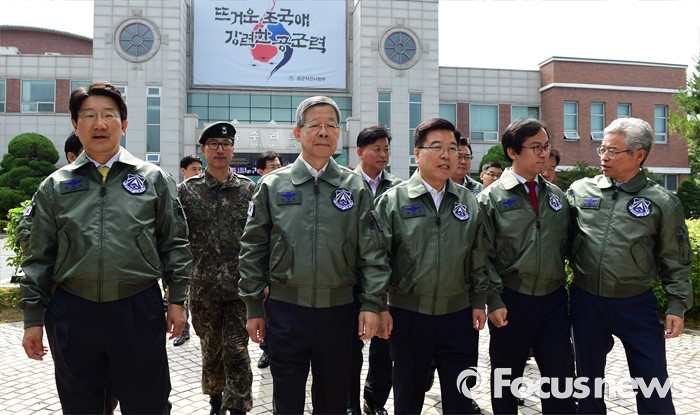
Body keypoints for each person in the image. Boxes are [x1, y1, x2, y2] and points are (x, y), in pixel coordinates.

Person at [19, 81, 192, 414]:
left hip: (137, 307)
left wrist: (177, 300)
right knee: (81, 405)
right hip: (74, 310)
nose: (99, 124)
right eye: (88, 115)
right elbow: (39, 256)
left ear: (123, 124)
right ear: (75, 125)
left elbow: (174, 243)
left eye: (108, 115)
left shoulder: (153, 179)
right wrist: (32, 319)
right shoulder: (55, 186)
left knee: (148, 404)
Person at [238, 96, 390, 414]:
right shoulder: (272, 185)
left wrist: (372, 304)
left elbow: (373, 251)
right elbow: (253, 248)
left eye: (330, 125)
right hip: (286, 311)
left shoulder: (355, 187)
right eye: (315, 125)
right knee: (287, 400)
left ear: (339, 134)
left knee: (333, 400)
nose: (323, 132)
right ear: (298, 132)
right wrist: (253, 306)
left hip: (339, 311)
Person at [566, 117, 693, 414]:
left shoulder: (662, 201)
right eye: (602, 149)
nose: (604, 157)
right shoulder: (580, 191)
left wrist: (677, 305)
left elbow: (675, 257)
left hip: (635, 303)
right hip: (586, 301)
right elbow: (558, 242)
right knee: (587, 381)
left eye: (613, 151)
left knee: (652, 380)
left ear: (639, 155)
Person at [375, 118, 492, 414]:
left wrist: (478, 300)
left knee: (460, 399)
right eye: (436, 147)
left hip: (458, 315)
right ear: (417, 153)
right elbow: (376, 259)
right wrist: (378, 306)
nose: (446, 155)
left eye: (452, 148)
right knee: (408, 397)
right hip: (409, 315)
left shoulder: (469, 202)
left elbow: (478, 255)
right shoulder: (393, 201)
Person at [478, 118, 576, 414]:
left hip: (553, 301)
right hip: (511, 300)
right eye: (535, 147)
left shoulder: (556, 196)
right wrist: (493, 300)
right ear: (512, 152)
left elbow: (570, 246)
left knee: (560, 380)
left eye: (546, 146)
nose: (544, 153)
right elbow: (480, 256)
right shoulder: (491, 198)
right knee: (506, 380)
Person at [178, 121, 254, 415]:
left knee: (237, 351)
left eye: (226, 144)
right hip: (203, 290)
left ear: (233, 150)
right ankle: (215, 402)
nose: (220, 149)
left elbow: (261, 239)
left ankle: (239, 407)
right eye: (213, 144)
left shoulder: (249, 190)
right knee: (211, 351)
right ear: (203, 149)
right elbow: (177, 240)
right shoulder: (187, 192)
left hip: (240, 290)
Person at [349, 125, 402, 415]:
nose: (383, 155)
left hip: (385, 280)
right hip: (349, 277)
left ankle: (375, 400)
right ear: (360, 152)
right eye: (376, 149)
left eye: (386, 150)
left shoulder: (398, 188)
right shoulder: (344, 184)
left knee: (384, 343)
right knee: (349, 345)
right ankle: (350, 402)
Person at [170, 154, 204, 348]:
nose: (198, 172)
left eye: (200, 169)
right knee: (183, 294)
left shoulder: (203, 192)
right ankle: (183, 331)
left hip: (201, 257)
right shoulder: (178, 193)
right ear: (183, 171)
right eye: (194, 169)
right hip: (184, 254)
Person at [253, 150, 282, 370]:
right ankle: (267, 350)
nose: (277, 170)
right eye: (272, 167)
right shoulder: (256, 193)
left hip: (283, 269)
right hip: (265, 269)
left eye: (279, 166)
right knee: (265, 313)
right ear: (260, 171)